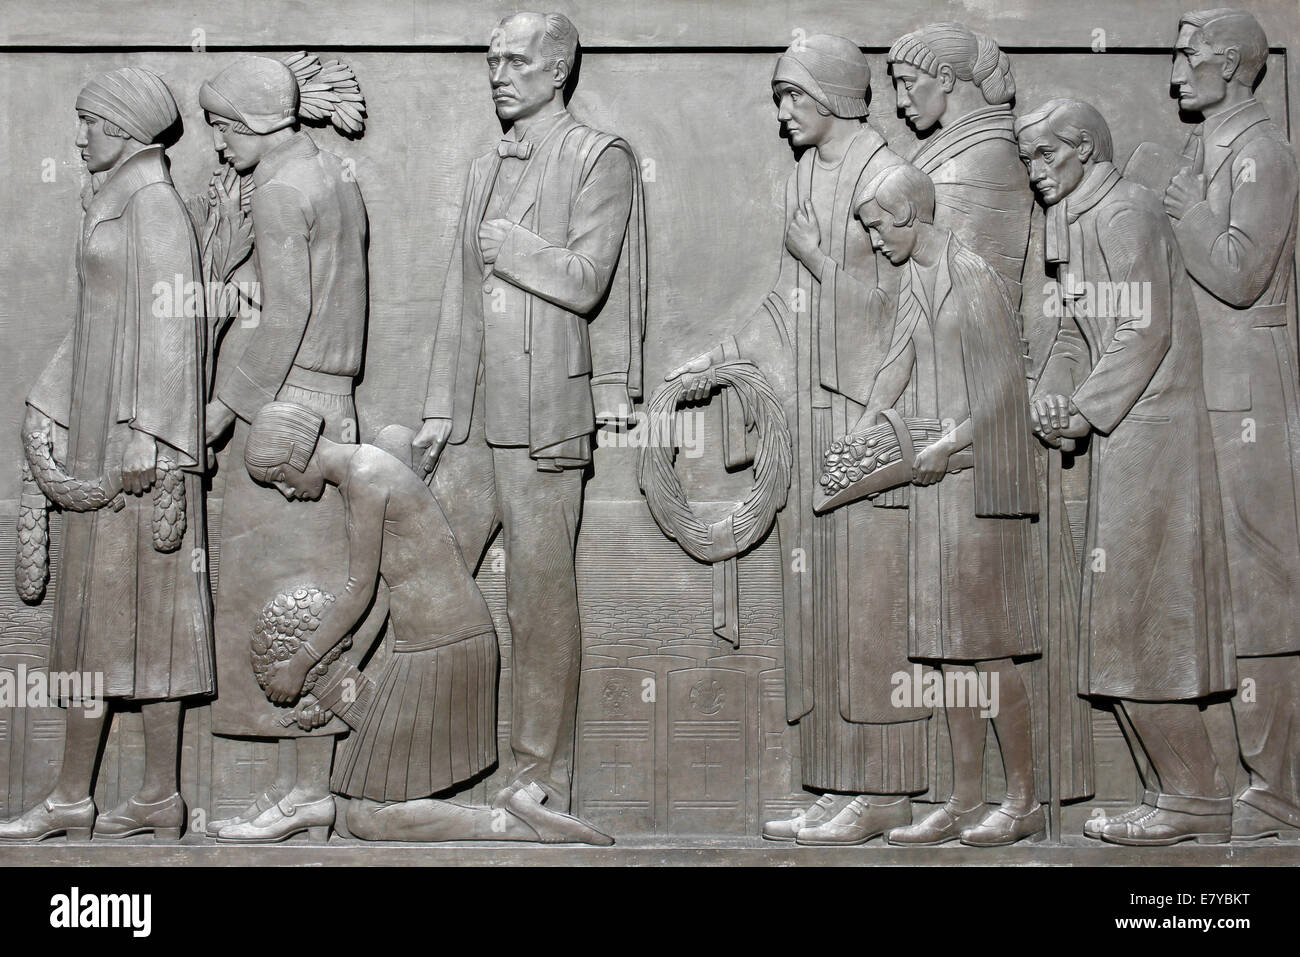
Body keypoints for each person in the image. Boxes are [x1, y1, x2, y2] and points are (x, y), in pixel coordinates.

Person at [667, 35, 929, 846]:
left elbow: (906, 311)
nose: (782, 114)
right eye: (780, 98)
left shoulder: (888, 179)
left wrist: (817, 261)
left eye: (795, 98)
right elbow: (789, 310)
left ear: (839, 99)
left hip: (867, 417)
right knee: (819, 607)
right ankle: (834, 782)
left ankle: (884, 789)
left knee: (872, 609)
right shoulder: (806, 175)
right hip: (811, 417)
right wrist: (724, 359)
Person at [410, 12, 646, 837]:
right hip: (475, 419)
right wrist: (441, 404)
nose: (498, 73)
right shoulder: (485, 164)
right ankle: (423, 759)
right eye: (491, 60)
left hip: (546, 412)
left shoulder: (599, 156)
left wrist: (512, 246)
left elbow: (586, 281)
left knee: (538, 600)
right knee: (427, 571)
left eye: (515, 61)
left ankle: (535, 781)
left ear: (558, 74)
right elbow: (455, 294)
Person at [242, 403, 612, 844]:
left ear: (299, 452)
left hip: (444, 649)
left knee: (366, 818)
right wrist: (340, 684)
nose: (286, 491)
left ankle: (518, 824)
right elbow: (379, 592)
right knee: (363, 814)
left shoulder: (366, 477)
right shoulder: (363, 472)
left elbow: (359, 590)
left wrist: (300, 664)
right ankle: (517, 818)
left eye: (281, 476)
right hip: (435, 645)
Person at [0, 69, 211, 842]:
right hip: (94, 439)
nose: (78, 135)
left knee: (154, 626)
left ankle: (157, 794)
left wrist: (152, 436)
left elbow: (175, 330)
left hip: (138, 458)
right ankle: (72, 798)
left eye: (88, 120)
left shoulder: (156, 208)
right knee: (93, 624)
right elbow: (90, 323)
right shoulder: (111, 202)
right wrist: (46, 400)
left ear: (123, 129)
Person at [1020, 98, 1237, 845]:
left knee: (1144, 624)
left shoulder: (1125, 213)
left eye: (1045, 156)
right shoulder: (1081, 220)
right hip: (1124, 437)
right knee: (1121, 628)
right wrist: (1055, 395)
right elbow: (1083, 334)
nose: (1035, 172)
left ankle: (1198, 797)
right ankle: (1174, 792)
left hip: (1157, 441)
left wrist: (1081, 410)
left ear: (1083, 148)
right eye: (1028, 161)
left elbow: (1145, 326)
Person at [199, 55, 370, 842]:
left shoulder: (276, 189)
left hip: (285, 412)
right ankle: (307, 789)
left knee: (281, 606)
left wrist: (219, 411)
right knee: (314, 601)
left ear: (254, 124)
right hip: (332, 406)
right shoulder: (332, 174)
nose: (217, 144)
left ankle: (301, 794)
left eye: (222, 127)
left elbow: (284, 316)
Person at [850, 164, 1044, 846]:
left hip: (978, 487)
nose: (875, 241)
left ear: (910, 217)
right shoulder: (918, 280)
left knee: (989, 652)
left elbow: (1005, 392)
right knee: (946, 654)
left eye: (878, 227)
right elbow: (897, 362)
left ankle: (1023, 801)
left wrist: (949, 444)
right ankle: (965, 797)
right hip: (934, 486)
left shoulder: (974, 277)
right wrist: (869, 423)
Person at [1163, 7, 1300, 841]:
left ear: (1236, 66)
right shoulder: (1205, 144)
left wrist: (1182, 210)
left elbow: (1243, 273)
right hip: (1200, 391)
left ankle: (1279, 787)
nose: (1175, 70)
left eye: (1189, 56)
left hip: (1248, 393)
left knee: (1263, 591)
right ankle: (1214, 782)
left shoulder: (1263, 151)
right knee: (1213, 587)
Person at [887, 22, 1032, 303]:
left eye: (907, 83)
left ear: (945, 77)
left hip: (971, 333)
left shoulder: (987, 154)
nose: (900, 101)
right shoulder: (965, 145)